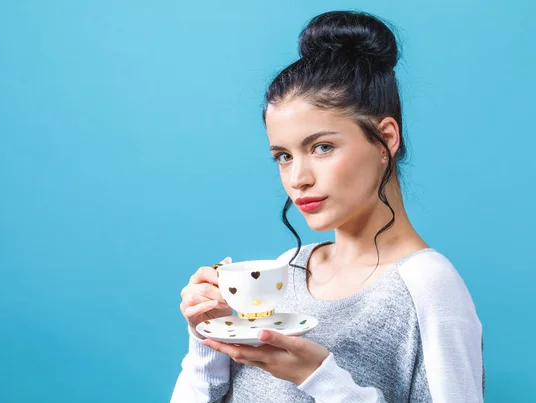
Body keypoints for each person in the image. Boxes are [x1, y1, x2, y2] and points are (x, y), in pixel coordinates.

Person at [171, 10, 484, 403]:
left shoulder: (428, 284)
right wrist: (206, 338)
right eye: (283, 156)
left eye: (322, 147)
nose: (297, 177)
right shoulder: (287, 270)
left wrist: (318, 377)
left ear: (386, 139)